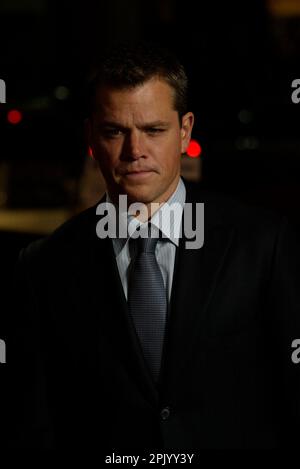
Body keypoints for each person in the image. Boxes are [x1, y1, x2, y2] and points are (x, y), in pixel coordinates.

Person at [8, 43, 300, 450]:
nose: (135, 151)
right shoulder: (45, 266)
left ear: (184, 131)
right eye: (115, 132)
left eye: (154, 130)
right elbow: (35, 425)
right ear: (91, 136)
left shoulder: (262, 244)